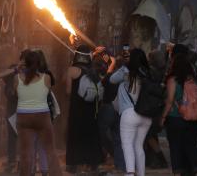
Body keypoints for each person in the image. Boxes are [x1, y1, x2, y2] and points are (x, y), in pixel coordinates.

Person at [14, 51, 62, 176]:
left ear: (24, 63)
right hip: (42, 116)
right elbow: (47, 93)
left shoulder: (17, 78)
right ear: (38, 63)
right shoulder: (46, 78)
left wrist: (18, 69)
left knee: (25, 153)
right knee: (50, 150)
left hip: (23, 117)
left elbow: (16, 94)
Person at [160, 53, 197, 176]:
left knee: (175, 147)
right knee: (191, 145)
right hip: (194, 117)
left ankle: (178, 172)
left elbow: (169, 101)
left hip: (176, 118)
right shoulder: (193, 79)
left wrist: (163, 117)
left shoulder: (173, 79)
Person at [110, 48, 152, 176]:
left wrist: (123, 65)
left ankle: (129, 173)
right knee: (138, 146)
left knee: (127, 145)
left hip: (129, 113)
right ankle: (141, 174)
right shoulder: (148, 74)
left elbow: (112, 79)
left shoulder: (127, 72)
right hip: (146, 115)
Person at [66, 45, 105, 174]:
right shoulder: (92, 70)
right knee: (91, 135)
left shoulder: (72, 70)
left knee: (76, 135)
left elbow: (68, 91)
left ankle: (75, 164)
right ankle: (93, 163)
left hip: (76, 110)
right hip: (91, 110)